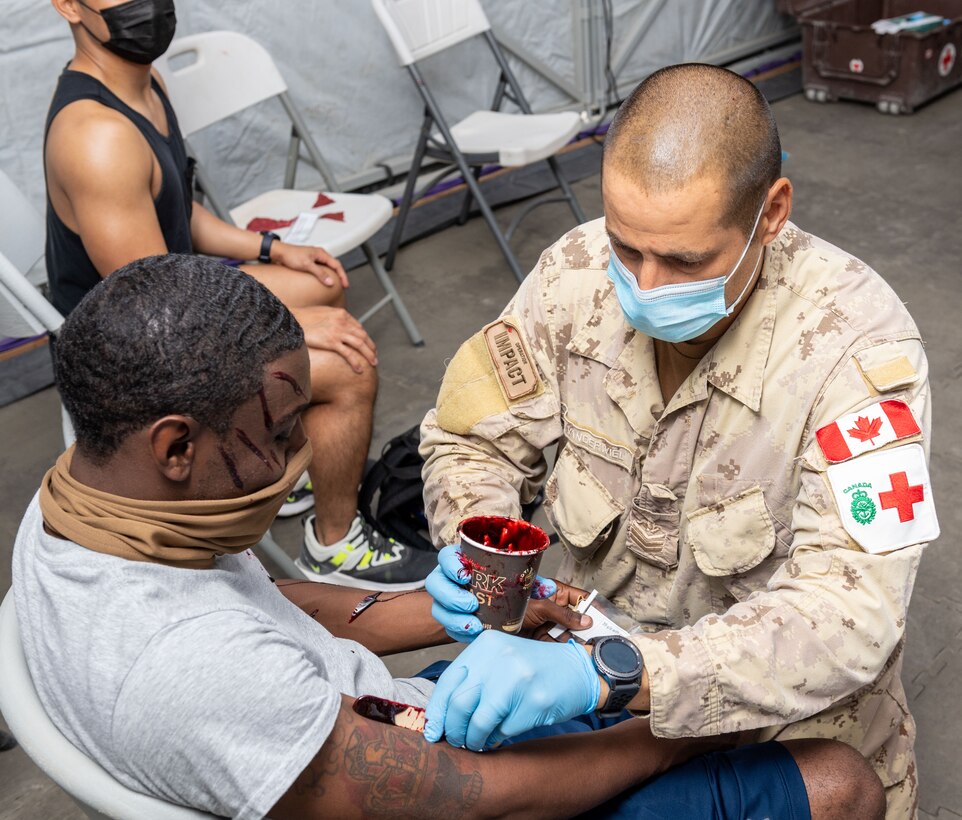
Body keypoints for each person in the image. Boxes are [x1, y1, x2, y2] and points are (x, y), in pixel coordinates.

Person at [12, 254, 885, 819]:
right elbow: (482, 803)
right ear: (175, 445)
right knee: (838, 782)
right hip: (435, 789)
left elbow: (262, 607)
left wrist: (440, 612)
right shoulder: (187, 667)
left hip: (364, 721)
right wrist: (688, 723)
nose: (300, 452)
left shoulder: (86, 509)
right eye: (280, 431)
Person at [420, 63, 935, 818]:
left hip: (784, 741)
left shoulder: (858, 351)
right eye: (627, 249)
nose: (648, 287)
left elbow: (851, 611)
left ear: (771, 212)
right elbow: (475, 442)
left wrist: (620, 671)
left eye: (687, 262)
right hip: (590, 709)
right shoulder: (572, 276)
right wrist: (479, 556)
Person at [43, 0, 434, 589]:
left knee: (321, 282)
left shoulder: (143, 84)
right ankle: (331, 545)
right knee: (348, 369)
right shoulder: (96, 136)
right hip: (134, 361)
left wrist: (271, 248)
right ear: (67, 6)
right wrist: (298, 327)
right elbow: (165, 308)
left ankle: (276, 453)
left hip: (173, 299)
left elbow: (177, 208)